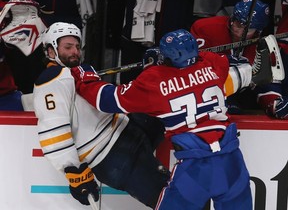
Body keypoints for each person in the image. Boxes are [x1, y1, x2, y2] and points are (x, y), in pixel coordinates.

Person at [71, 29, 256, 209]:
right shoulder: (214, 65)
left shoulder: (154, 81)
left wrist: (85, 78)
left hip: (196, 168)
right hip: (231, 161)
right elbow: (212, 59)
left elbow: (107, 100)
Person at [32, 22, 170, 208]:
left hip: (128, 132)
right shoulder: (52, 80)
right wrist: (74, 172)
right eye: (68, 47)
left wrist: (156, 72)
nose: (75, 52)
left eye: (77, 47)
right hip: (114, 157)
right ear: (51, 51)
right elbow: (53, 131)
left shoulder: (73, 74)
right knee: (172, 200)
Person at [190, 0, 271, 114]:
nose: (239, 31)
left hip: (242, 93)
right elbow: (191, 64)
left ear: (258, 31)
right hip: (208, 90)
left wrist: (272, 101)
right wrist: (222, 62)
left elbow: (265, 79)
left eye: (247, 29)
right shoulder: (205, 28)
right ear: (233, 18)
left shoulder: (262, 44)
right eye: (238, 24)